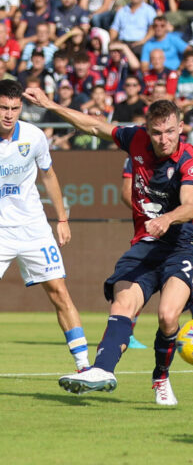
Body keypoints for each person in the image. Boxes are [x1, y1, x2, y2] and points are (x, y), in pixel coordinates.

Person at [25, 89, 193, 407]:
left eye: (170, 132)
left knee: (167, 316)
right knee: (122, 306)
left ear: (180, 128)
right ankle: (101, 370)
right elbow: (93, 126)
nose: (164, 139)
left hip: (182, 246)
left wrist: (167, 218)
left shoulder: (190, 159)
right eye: (157, 132)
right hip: (145, 245)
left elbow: (190, 206)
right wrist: (51, 105)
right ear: (147, 130)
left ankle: (161, 376)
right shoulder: (135, 139)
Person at [0, 79, 90, 373]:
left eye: (14, 108)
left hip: (33, 227)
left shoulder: (34, 136)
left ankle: (84, 366)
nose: (8, 114)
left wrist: (62, 218)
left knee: (59, 292)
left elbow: (49, 176)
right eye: (3, 107)